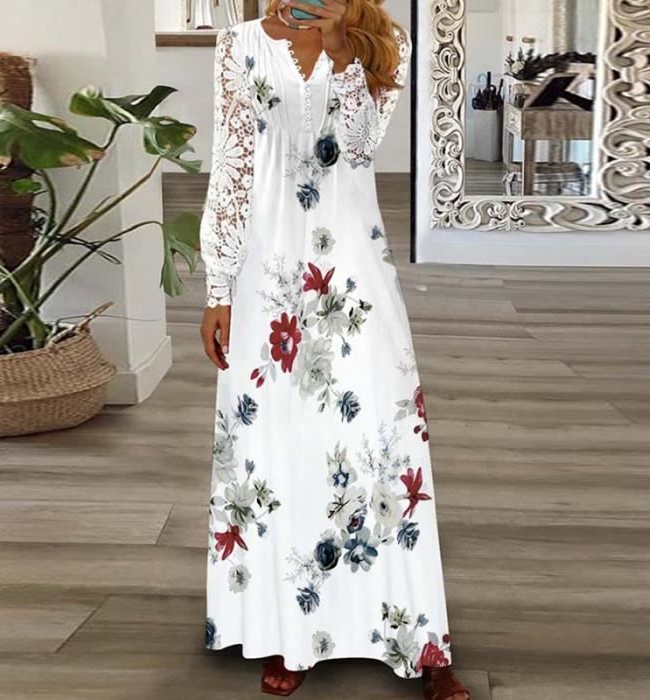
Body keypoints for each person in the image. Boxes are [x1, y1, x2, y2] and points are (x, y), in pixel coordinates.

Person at [199, 1, 471, 698]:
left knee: (384, 431)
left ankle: (421, 641)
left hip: (352, 265)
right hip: (266, 267)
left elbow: (359, 146)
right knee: (280, 438)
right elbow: (231, 166)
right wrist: (218, 285)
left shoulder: (380, 37)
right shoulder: (238, 45)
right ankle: (290, 630)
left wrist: (345, 52)